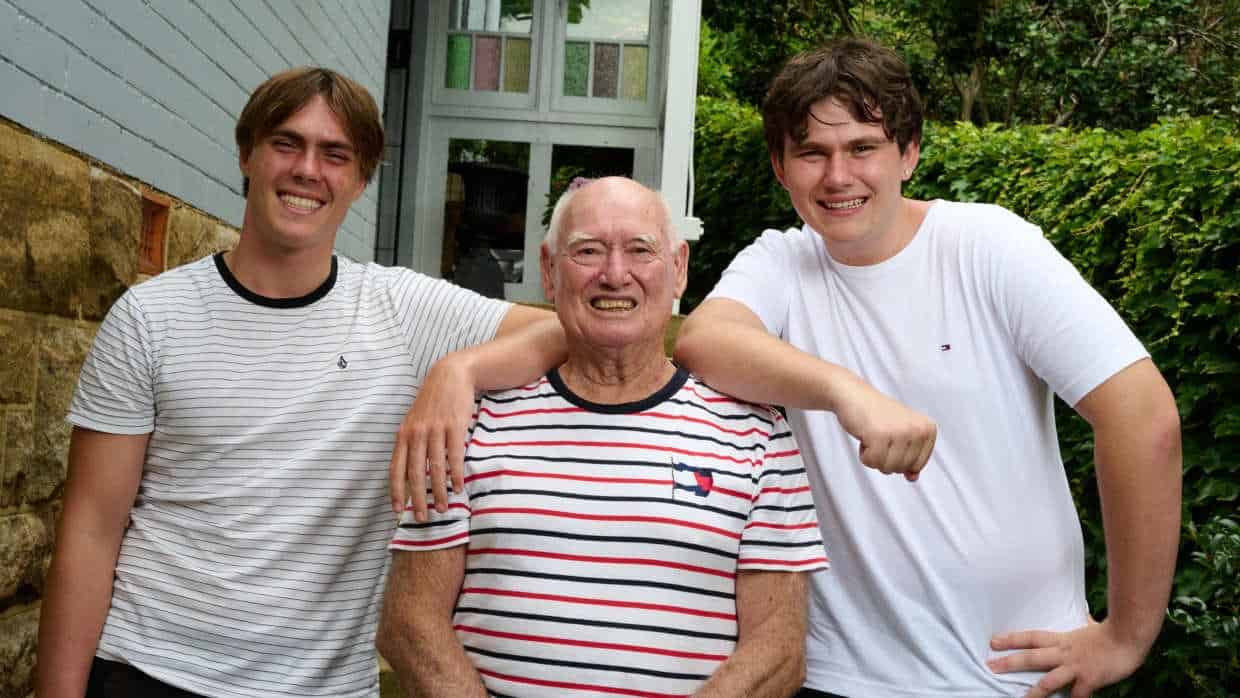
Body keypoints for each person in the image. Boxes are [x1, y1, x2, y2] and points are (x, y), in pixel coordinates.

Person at [673, 39, 1182, 698]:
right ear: (780, 166)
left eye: (862, 148)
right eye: (811, 153)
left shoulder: (989, 248)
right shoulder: (781, 263)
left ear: (908, 152)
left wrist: (1126, 637)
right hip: (837, 679)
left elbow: (1144, 419)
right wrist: (845, 391)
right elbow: (705, 339)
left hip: (1009, 679)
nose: (837, 177)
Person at [35, 66, 561, 698]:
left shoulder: (403, 313)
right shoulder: (150, 318)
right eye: (287, 143)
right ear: (247, 154)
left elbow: (566, 334)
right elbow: (90, 532)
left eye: (335, 154)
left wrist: (460, 368)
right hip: (146, 671)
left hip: (319, 687)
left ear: (361, 178)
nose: (308, 170)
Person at [377, 177, 828, 697]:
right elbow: (411, 624)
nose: (616, 275)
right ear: (549, 270)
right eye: (587, 251)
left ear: (678, 268)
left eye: (641, 250)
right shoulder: (465, 425)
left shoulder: (759, 438)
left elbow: (778, 651)